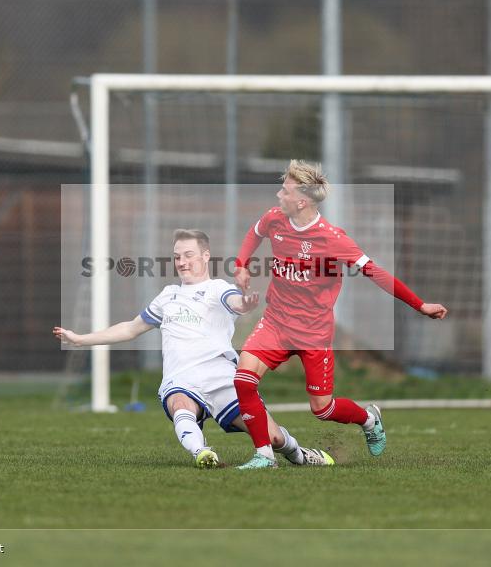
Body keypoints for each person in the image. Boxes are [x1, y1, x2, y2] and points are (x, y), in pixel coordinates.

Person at [54, 229, 335, 468]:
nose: (182, 262)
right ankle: (202, 452)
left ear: (205, 256)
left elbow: (234, 301)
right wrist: (80, 339)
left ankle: (300, 455)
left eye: (188, 255)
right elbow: (130, 328)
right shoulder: (168, 296)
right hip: (182, 378)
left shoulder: (217, 289)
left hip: (222, 378)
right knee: (180, 404)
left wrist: (245, 304)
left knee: (273, 439)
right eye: (177, 257)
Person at [232, 160, 449, 469]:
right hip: (276, 324)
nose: (279, 194)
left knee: (321, 409)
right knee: (243, 380)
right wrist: (241, 265)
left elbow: (377, 274)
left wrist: (420, 305)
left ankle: (368, 419)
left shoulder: (332, 239)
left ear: (302, 201)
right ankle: (265, 455)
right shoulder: (275, 219)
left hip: (313, 334)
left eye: (286, 190)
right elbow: (253, 234)